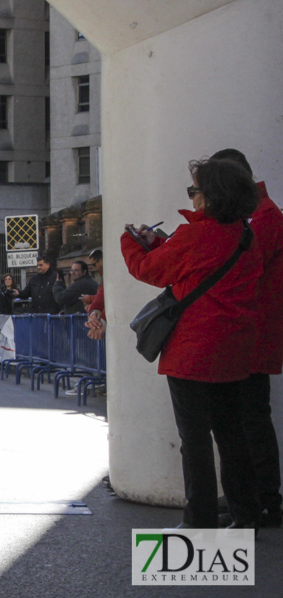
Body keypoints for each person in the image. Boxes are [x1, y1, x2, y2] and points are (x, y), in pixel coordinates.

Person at [121, 157, 262, 529]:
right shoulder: (247, 237)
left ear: (211, 197)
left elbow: (150, 270)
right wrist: (164, 243)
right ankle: (247, 515)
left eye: (194, 191)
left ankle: (199, 521)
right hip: (234, 350)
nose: (193, 198)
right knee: (232, 434)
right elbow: (201, 265)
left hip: (192, 351)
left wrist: (131, 241)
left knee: (195, 439)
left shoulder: (195, 236)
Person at [211, 148, 282, 528]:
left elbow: (242, 266)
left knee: (251, 418)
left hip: (253, 333)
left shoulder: (264, 217)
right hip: (248, 331)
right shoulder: (258, 213)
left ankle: (266, 498)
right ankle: (254, 494)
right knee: (245, 418)